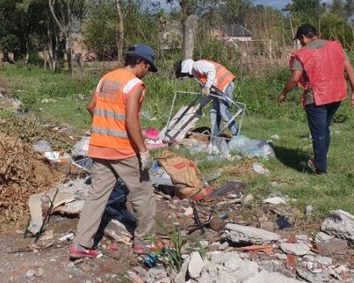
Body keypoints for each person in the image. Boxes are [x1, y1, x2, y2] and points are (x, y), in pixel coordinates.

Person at [70, 44, 158, 259]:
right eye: (148, 67)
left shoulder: (107, 78)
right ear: (142, 63)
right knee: (144, 195)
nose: (147, 72)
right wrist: (143, 150)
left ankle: (80, 245)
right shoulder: (135, 84)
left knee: (96, 197)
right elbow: (130, 120)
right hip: (123, 151)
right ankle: (144, 244)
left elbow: (91, 106)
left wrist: (108, 126)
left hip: (100, 148)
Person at [277, 24, 354, 175]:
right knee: (324, 129)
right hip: (336, 95)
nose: (300, 43)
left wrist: (283, 93)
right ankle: (319, 160)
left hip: (316, 98)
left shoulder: (302, 54)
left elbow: (294, 79)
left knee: (318, 134)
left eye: (300, 40)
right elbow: (350, 69)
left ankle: (320, 169)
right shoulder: (336, 46)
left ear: (303, 37)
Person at [178, 58, 240, 137]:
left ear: (187, 69)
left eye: (186, 74)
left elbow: (211, 70)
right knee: (214, 112)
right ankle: (215, 137)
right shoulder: (199, 76)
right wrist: (200, 107)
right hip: (219, 89)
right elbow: (209, 95)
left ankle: (236, 134)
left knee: (224, 112)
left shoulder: (197, 65)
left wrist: (207, 86)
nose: (188, 76)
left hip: (225, 84)